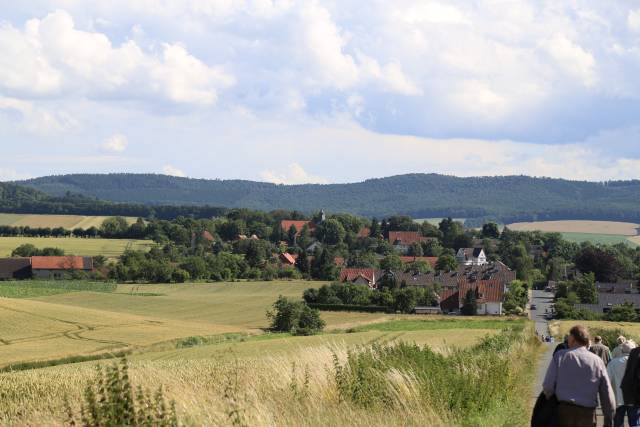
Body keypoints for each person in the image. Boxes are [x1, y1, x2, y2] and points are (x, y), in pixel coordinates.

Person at [543, 325, 615, 427]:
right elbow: (607, 394)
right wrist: (608, 421)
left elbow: (548, 386)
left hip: (563, 411)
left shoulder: (560, 356)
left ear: (572, 339)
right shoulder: (597, 361)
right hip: (587, 414)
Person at [608, 341, 639, 427]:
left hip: (618, 398)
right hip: (634, 398)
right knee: (635, 422)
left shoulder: (613, 363)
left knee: (618, 423)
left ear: (621, 350)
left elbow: (607, 380)